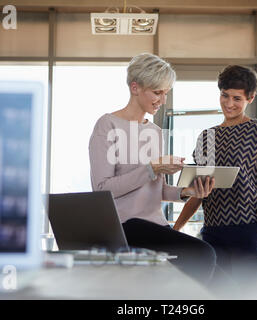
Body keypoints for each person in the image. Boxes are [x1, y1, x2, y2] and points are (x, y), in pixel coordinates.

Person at [88, 53, 216, 285]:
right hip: (126, 225)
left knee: (218, 273)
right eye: (158, 92)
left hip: (155, 224)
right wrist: (153, 167)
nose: (163, 100)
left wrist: (187, 192)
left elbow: (155, 189)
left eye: (166, 93)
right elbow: (102, 189)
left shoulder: (155, 132)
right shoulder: (107, 125)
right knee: (203, 255)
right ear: (135, 87)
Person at [173, 65, 257, 297]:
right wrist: (176, 229)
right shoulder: (206, 137)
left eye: (237, 98)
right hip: (213, 233)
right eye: (225, 95)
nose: (229, 103)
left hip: (250, 231)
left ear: (250, 98)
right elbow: (199, 191)